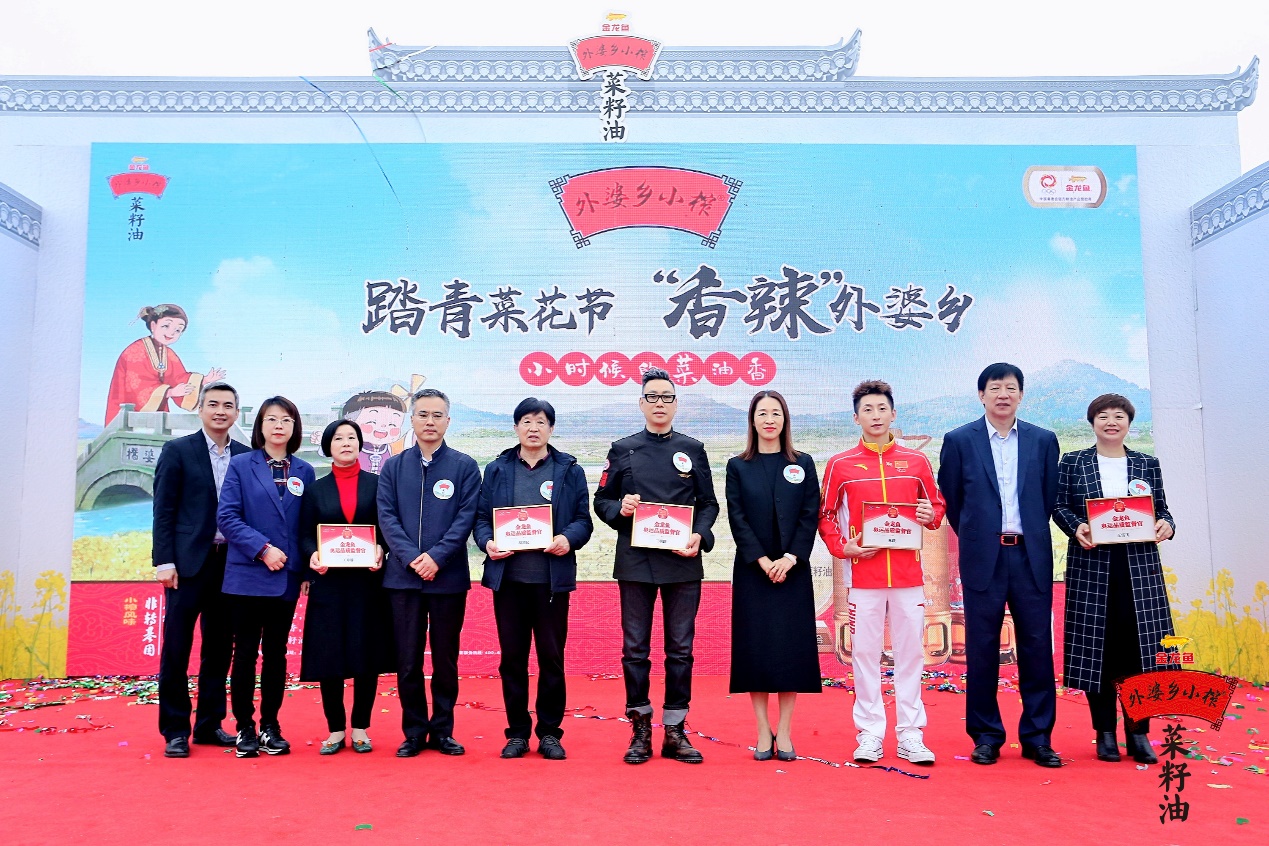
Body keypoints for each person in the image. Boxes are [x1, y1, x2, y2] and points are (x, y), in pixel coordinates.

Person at [938, 363, 1062, 768]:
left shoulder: (1043, 441)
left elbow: (1047, 497)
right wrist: (978, 535)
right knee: (982, 648)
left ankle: (1038, 737)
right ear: (981, 395)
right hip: (983, 558)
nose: (1003, 394)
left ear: (1021, 395)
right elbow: (953, 501)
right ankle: (986, 735)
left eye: (1011, 388)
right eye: (995, 388)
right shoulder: (959, 440)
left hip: (1030, 556)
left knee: (1036, 648)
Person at [594, 367, 719, 764]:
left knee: (680, 649)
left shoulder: (693, 448)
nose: (659, 403)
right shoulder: (623, 448)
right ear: (641, 403)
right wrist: (620, 508)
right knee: (635, 648)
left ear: (676, 404)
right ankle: (641, 727)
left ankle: (676, 730)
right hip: (636, 562)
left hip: (682, 561)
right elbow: (601, 500)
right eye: (652, 397)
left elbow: (709, 503)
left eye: (667, 397)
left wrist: (699, 534)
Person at [819, 380, 946, 766]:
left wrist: (931, 514)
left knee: (911, 655)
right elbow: (825, 515)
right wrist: (844, 547)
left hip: (908, 577)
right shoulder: (841, 465)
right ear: (855, 418)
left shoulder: (916, 462)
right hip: (863, 578)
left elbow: (936, 507)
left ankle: (911, 735)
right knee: (864, 655)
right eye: (867, 410)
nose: (875, 416)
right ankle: (870, 734)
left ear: (893, 414)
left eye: (882, 409)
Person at [1053, 394, 1176, 764]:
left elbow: (1162, 509)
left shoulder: (1146, 463)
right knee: (1097, 650)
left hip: (1139, 570)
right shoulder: (1074, 462)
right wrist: (1077, 527)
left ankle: (1139, 733)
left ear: (1129, 423)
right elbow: (1058, 505)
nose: (1111, 422)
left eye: (1119, 416)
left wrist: (1167, 525)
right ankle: (1104, 732)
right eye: (1103, 416)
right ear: (1092, 422)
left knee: (1141, 651)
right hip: (1092, 567)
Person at [473, 398, 594, 761]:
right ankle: (517, 733)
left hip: (550, 583)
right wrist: (487, 542)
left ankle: (550, 733)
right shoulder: (497, 469)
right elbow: (481, 519)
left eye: (541, 421)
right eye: (526, 421)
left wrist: (567, 539)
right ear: (515, 427)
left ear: (551, 428)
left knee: (551, 659)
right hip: (509, 581)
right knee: (512, 659)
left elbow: (583, 521)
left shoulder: (568, 470)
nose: (533, 428)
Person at [378, 388, 481, 758]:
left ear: (448, 421)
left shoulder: (464, 467)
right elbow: (386, 517)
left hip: (447, 578)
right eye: (423, 414)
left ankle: (442, 730)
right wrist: (411, 558)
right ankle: (413, 731)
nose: (430, 421)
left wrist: (436, 557)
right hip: (402, 579)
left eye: (438, 415)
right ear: (412, 419)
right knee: (407, 660)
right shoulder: (393, 467)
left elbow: (466, 518)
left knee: (445, 660)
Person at [152, 382, 250, 758]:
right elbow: (164, 510)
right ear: (201, 409)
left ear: (236, 413)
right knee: (177, 648)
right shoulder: (178, 451)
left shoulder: (246, 456)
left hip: (231, 563)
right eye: (213, 404)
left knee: (220, 648)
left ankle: (209, 724)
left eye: (228, 405)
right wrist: (164, 561)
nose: (220, 411)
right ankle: (175, 730)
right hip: (188, 564)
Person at [217, 396, 315, 758]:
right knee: (244, 653)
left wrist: (306, 570)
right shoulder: (242, 464)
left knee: (276, 654)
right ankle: (245, 726)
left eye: (286, 420)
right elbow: (227, 517)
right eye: (271, 419)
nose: (279, 426)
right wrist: (262, 549)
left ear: (294, 428)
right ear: (260, 426)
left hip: (287, 578)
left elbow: (307, 525)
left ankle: (271, 726)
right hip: (248, 574)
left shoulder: (304, 471)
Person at [725, 390, 821, 762]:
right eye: (762, 413)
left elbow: (809, 514)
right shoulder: (738, 466)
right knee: (757, 650)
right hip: (754, 571)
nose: (769, 420)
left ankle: (786, 730)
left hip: (793, 571)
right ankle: (763, 729)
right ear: (752, 420)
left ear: (785, 419)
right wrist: (764, 561)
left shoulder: (803, 462)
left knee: (790, 650)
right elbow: (738, 519)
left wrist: (791, 557)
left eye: (776, 413)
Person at [299, 419, 395, 755]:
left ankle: (361, 728)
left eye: (352, 437)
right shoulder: (315, 490)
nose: (346, 443)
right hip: (329, 584)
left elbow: (387, 527)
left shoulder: (378, 485)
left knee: (366, 655)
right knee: (330, 656)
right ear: (328, 447)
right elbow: (304, 534)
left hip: (368, 584)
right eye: (338, 438)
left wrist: (381, 547)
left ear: (360, 444)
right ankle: (336, 729)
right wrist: (311, 555)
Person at [105, 304, 225, 425]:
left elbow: (178, 377)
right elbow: (138, 386)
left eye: (178, 330)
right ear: (153, 325)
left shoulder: (168, 354)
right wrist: (170, 392)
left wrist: (204, 380)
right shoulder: (135, 351)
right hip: (129, 412)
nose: (171, 333)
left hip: (157, 412)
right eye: (166, 326)